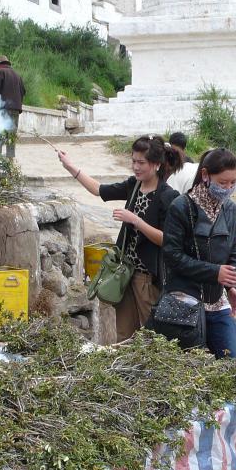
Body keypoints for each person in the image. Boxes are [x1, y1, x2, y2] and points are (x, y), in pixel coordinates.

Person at [56, 135, 180, 340]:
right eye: (133, 161)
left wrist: (135, 221)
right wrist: (70, 166)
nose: (136, 167)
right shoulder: (133, 185)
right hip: (125, 273)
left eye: (141, 162)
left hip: (147, 278)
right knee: (123, 333)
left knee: (153, 335)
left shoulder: (168, 196)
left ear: (157, 164)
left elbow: (167, 239)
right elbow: (98, 190)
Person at [161, 148, 236, 359]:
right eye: (223, 183)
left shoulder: (231, 210)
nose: (228, 188)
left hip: (217, 302)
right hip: (184, 301)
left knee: (234, 363)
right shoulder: (181, 207)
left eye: (233, 183)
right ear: (206, 175)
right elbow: (172, 256)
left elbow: (235, 253)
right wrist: (214, 272)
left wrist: (233, 285)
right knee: (188, 368)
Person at [0, 55, 25, 159]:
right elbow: (23, 91)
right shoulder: (17, 75)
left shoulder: (0, 72)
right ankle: (10, 158)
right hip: (16, 109)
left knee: (0, 132)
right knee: (11, 135)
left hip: (4, 108)